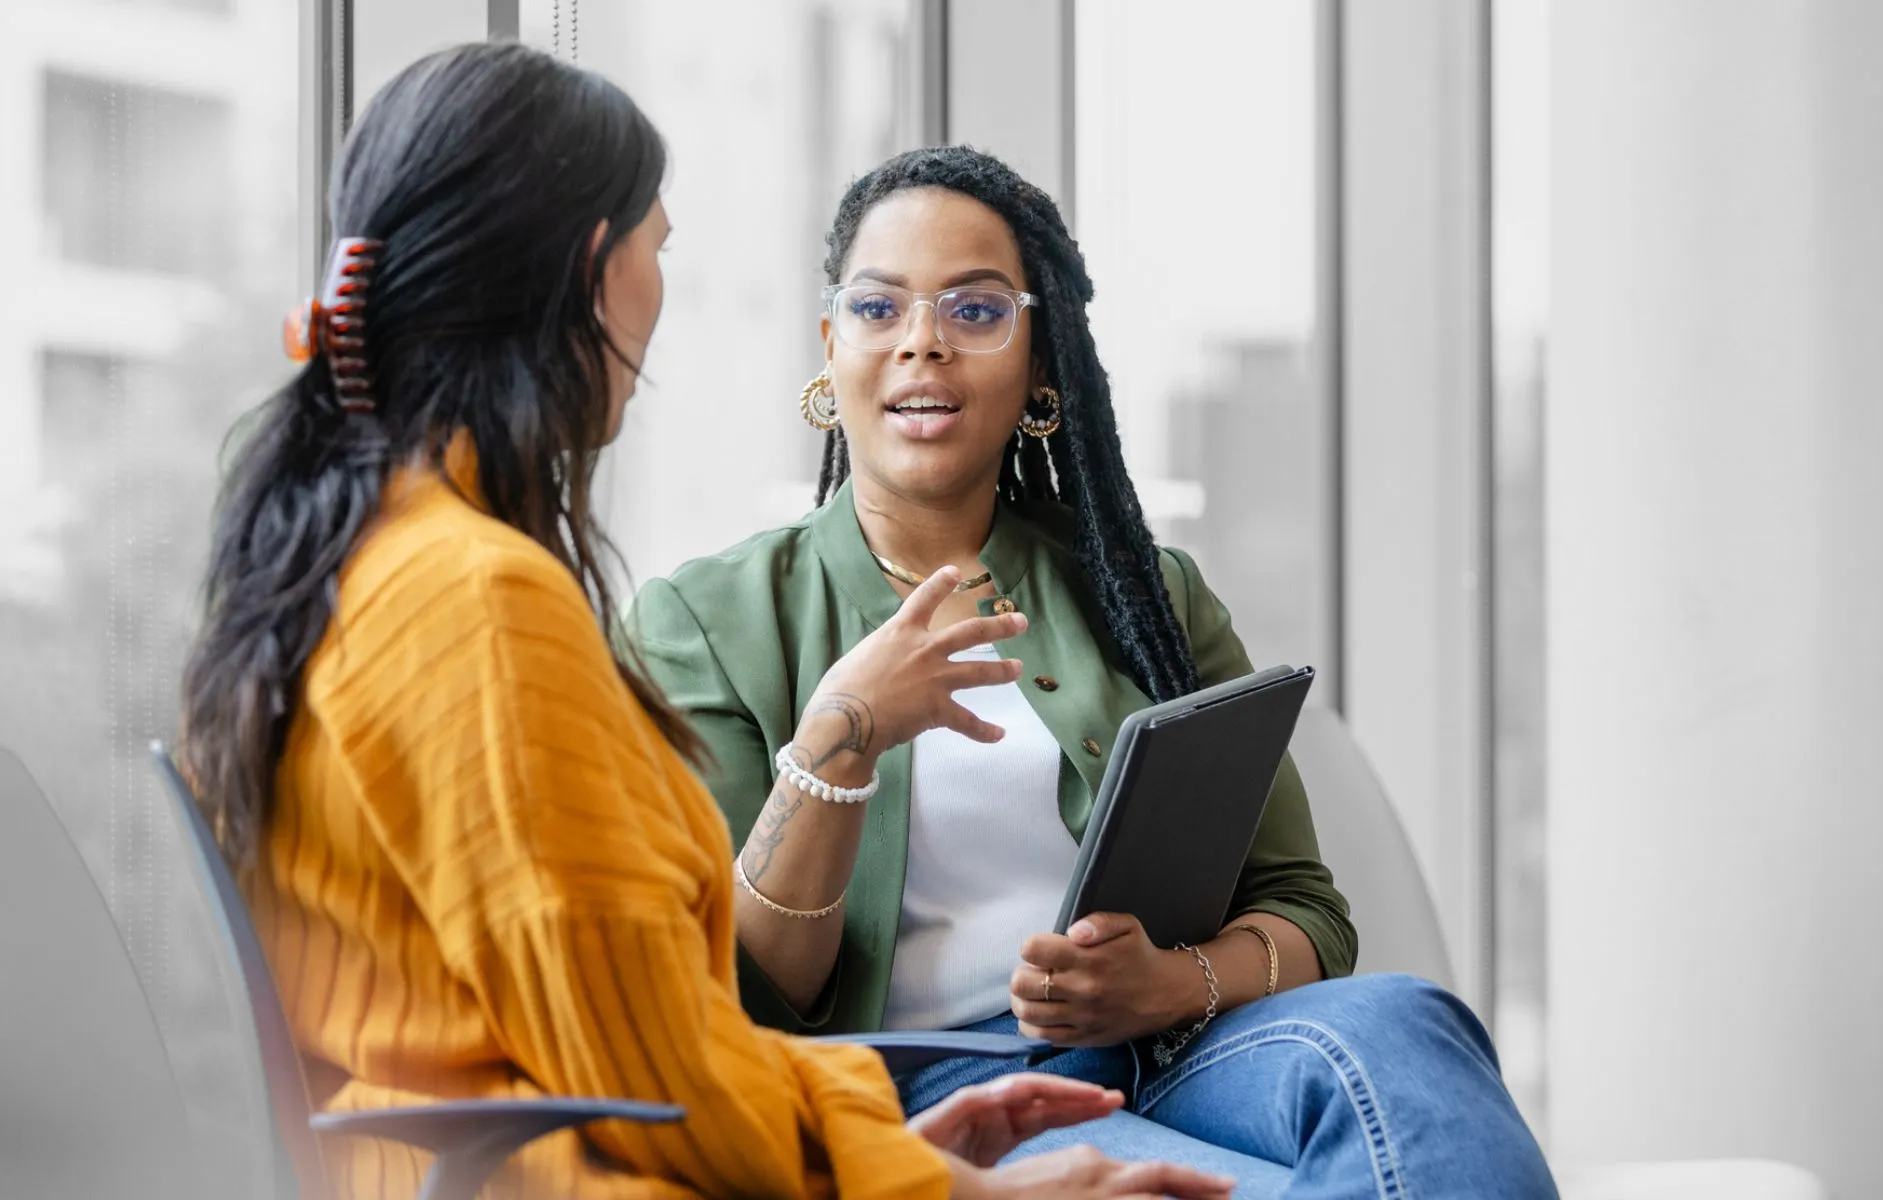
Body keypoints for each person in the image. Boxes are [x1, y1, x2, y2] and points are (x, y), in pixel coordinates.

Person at [174, 43, 1233, 1200]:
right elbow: (652, 1074)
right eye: (658, 248)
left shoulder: (370, 557)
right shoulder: (477, 602)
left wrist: (877, 1150)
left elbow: (642, 1052)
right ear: (595, 267)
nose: (922, 342)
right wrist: (945, 1191)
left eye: (973, 309)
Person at [627, 145, 1560, 1198]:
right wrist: (842, 729)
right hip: (929, 1094)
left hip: (1175, 1054)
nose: (922, 344)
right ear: (830, 346)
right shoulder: (703, 622)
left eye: (975, 312)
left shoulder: (1143, 593)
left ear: (1038, 365)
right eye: (880, 309)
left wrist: (1165, 985)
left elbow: (1305, 913)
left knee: (1407, 1020)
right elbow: (749, 994)